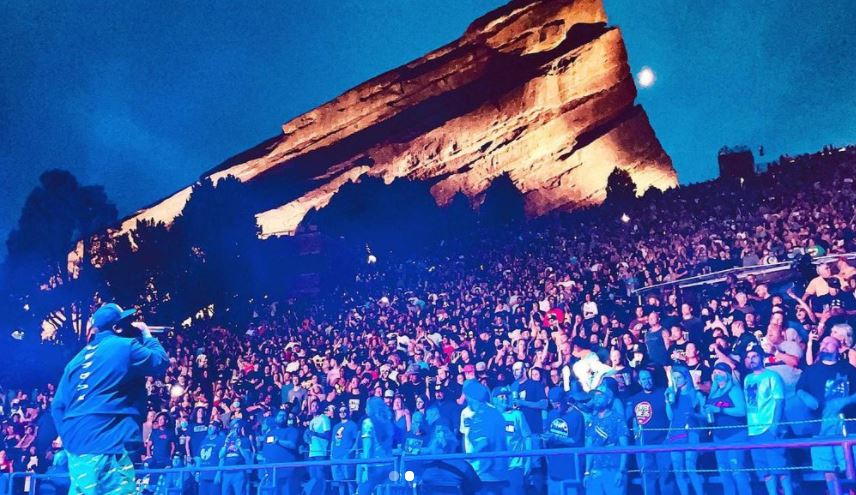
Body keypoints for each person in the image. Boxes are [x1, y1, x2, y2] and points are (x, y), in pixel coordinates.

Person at [51, 303, 168, 495]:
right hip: (108, 440)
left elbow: (57, 406)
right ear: (117, 327)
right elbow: (160, 362)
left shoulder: (74, 362)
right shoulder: (125, 346)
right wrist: (147, 334)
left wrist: (69, 439)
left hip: (76, 447)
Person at [797, 337, 856, 495]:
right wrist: (806, 398)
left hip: (845, 426)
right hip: (820, 427)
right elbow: (800, 388)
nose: (823, 345)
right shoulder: (811, 370)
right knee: (827, 467)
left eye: (828, 343)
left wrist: (845, 401)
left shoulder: (848, 369)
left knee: (850, 466)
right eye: (822, 343)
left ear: (838, 348)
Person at [743, 345, 792, 495]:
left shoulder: (772, 376)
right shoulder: (747, 378)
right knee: (764, 469)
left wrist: (774, 426)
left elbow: (780, 401)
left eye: (754, 356)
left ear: (762, 358)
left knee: (780, 467)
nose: (751, 360)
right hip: (753, 430)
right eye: (748, 357)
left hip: (769, 427)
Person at [703, 362, 750, 495]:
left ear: (727, 375)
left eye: (720, 372)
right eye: (715, 372)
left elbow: (742, 411)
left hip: (735, 434)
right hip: (719, 436)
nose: (716, 375)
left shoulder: (734, 389)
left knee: (737, 471)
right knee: (724, 472)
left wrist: (720, 410)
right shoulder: (713, 392)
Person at [626, 368, 674, 495]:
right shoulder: (635, 398)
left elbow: (671, 417)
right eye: (644, 379)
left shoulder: (663, 393)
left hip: (663, 442)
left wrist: (669, 438)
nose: (647, 381)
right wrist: (637, 438)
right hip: (643, 445)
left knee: (666, 476)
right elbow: (633, 420)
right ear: (639, 382)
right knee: (647, 478)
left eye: (649, 378)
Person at [584, 380, 628, 495]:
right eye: (595, 396)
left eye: (600, 396)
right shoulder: (592, 421)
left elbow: (624, 446)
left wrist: (621, 471)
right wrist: (587, 472)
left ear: (608, 400)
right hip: (596, 470)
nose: (597, 399)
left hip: (614, 468)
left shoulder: (617, 418)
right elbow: (589, 447)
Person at [664, 366, 704, 495]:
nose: (676, 380)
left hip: (692, 431)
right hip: (676, 431)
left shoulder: (696, 394)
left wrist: (693, 415)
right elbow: (670, 417)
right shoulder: (674, 395)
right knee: (678, 470)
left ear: (686, 377)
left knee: (690, 467)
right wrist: (667, 401)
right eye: (674, 378)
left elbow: (705, 417)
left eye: (679, 377)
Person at [461, 380, 507, 486]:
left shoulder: (481, 415)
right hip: (501, 469)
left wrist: (468, 459)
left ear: (471, 398)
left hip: (484, 473)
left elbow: (483, 443)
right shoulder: (495, 412)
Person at [544, 388, 585, 495]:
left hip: (571, 464)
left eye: (557, 403)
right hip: (554, 463)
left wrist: (557, 438)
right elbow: (548, 435)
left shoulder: (576, 416)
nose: (555, 406)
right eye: (552, 403)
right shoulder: (551, 414)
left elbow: (577, 441)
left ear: (564, 400)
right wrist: (546, 438)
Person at [492, 386, 531, 495]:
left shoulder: (517, 415)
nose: (505, 398)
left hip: (515, 466)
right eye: (501, 396)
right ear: (494, 399)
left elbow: (527, 437)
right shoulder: (490, 416)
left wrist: (528, 461)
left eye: (506, 396)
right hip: (497, 467)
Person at [357, 397, 394, 495]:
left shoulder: (368, 423)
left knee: (363, 491)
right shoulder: (388, 422)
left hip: (374, 465)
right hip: (389, 464)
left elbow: (368, 448)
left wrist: (365, 469)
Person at [259, 410, 301, 495]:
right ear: (275, 418)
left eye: (284, 416)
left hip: (286, 469)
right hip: (271, 470)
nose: (282, 417)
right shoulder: (270, 433)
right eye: (280, 415)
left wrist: (279, 441)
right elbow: (265, 450)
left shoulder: (292, 430)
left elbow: (292, 444)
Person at [305, 402, 333, 495]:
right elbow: (310, 437)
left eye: (316, 405)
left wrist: (315, 434)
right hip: (311, 452)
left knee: (321, 478)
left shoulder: (324, 418)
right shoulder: (312, 421)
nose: (315, 407)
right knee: (313, 479)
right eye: (313, 405)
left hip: (321, 451)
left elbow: (328, 435)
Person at [330, 406, 359, 495]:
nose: (342, 413)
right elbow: (333, 442)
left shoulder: (353, 425)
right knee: (339, 482)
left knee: (349, 480)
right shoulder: (336, 426)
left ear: (348, 412)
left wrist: (351, 451)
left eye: (344, 411)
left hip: (347, 457)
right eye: (340, 411)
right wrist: (331, 454)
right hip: (335, 457)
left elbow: (357, 440)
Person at [197, 420, 226, 495]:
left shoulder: (221, 440)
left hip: (214, 475)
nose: (209, 428)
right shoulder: (204, 441)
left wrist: (219, 473)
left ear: (217, 428)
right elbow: (199, 458)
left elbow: (222, 458)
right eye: (209, 427)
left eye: (212, 426)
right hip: (203, 475)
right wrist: (197, 472)